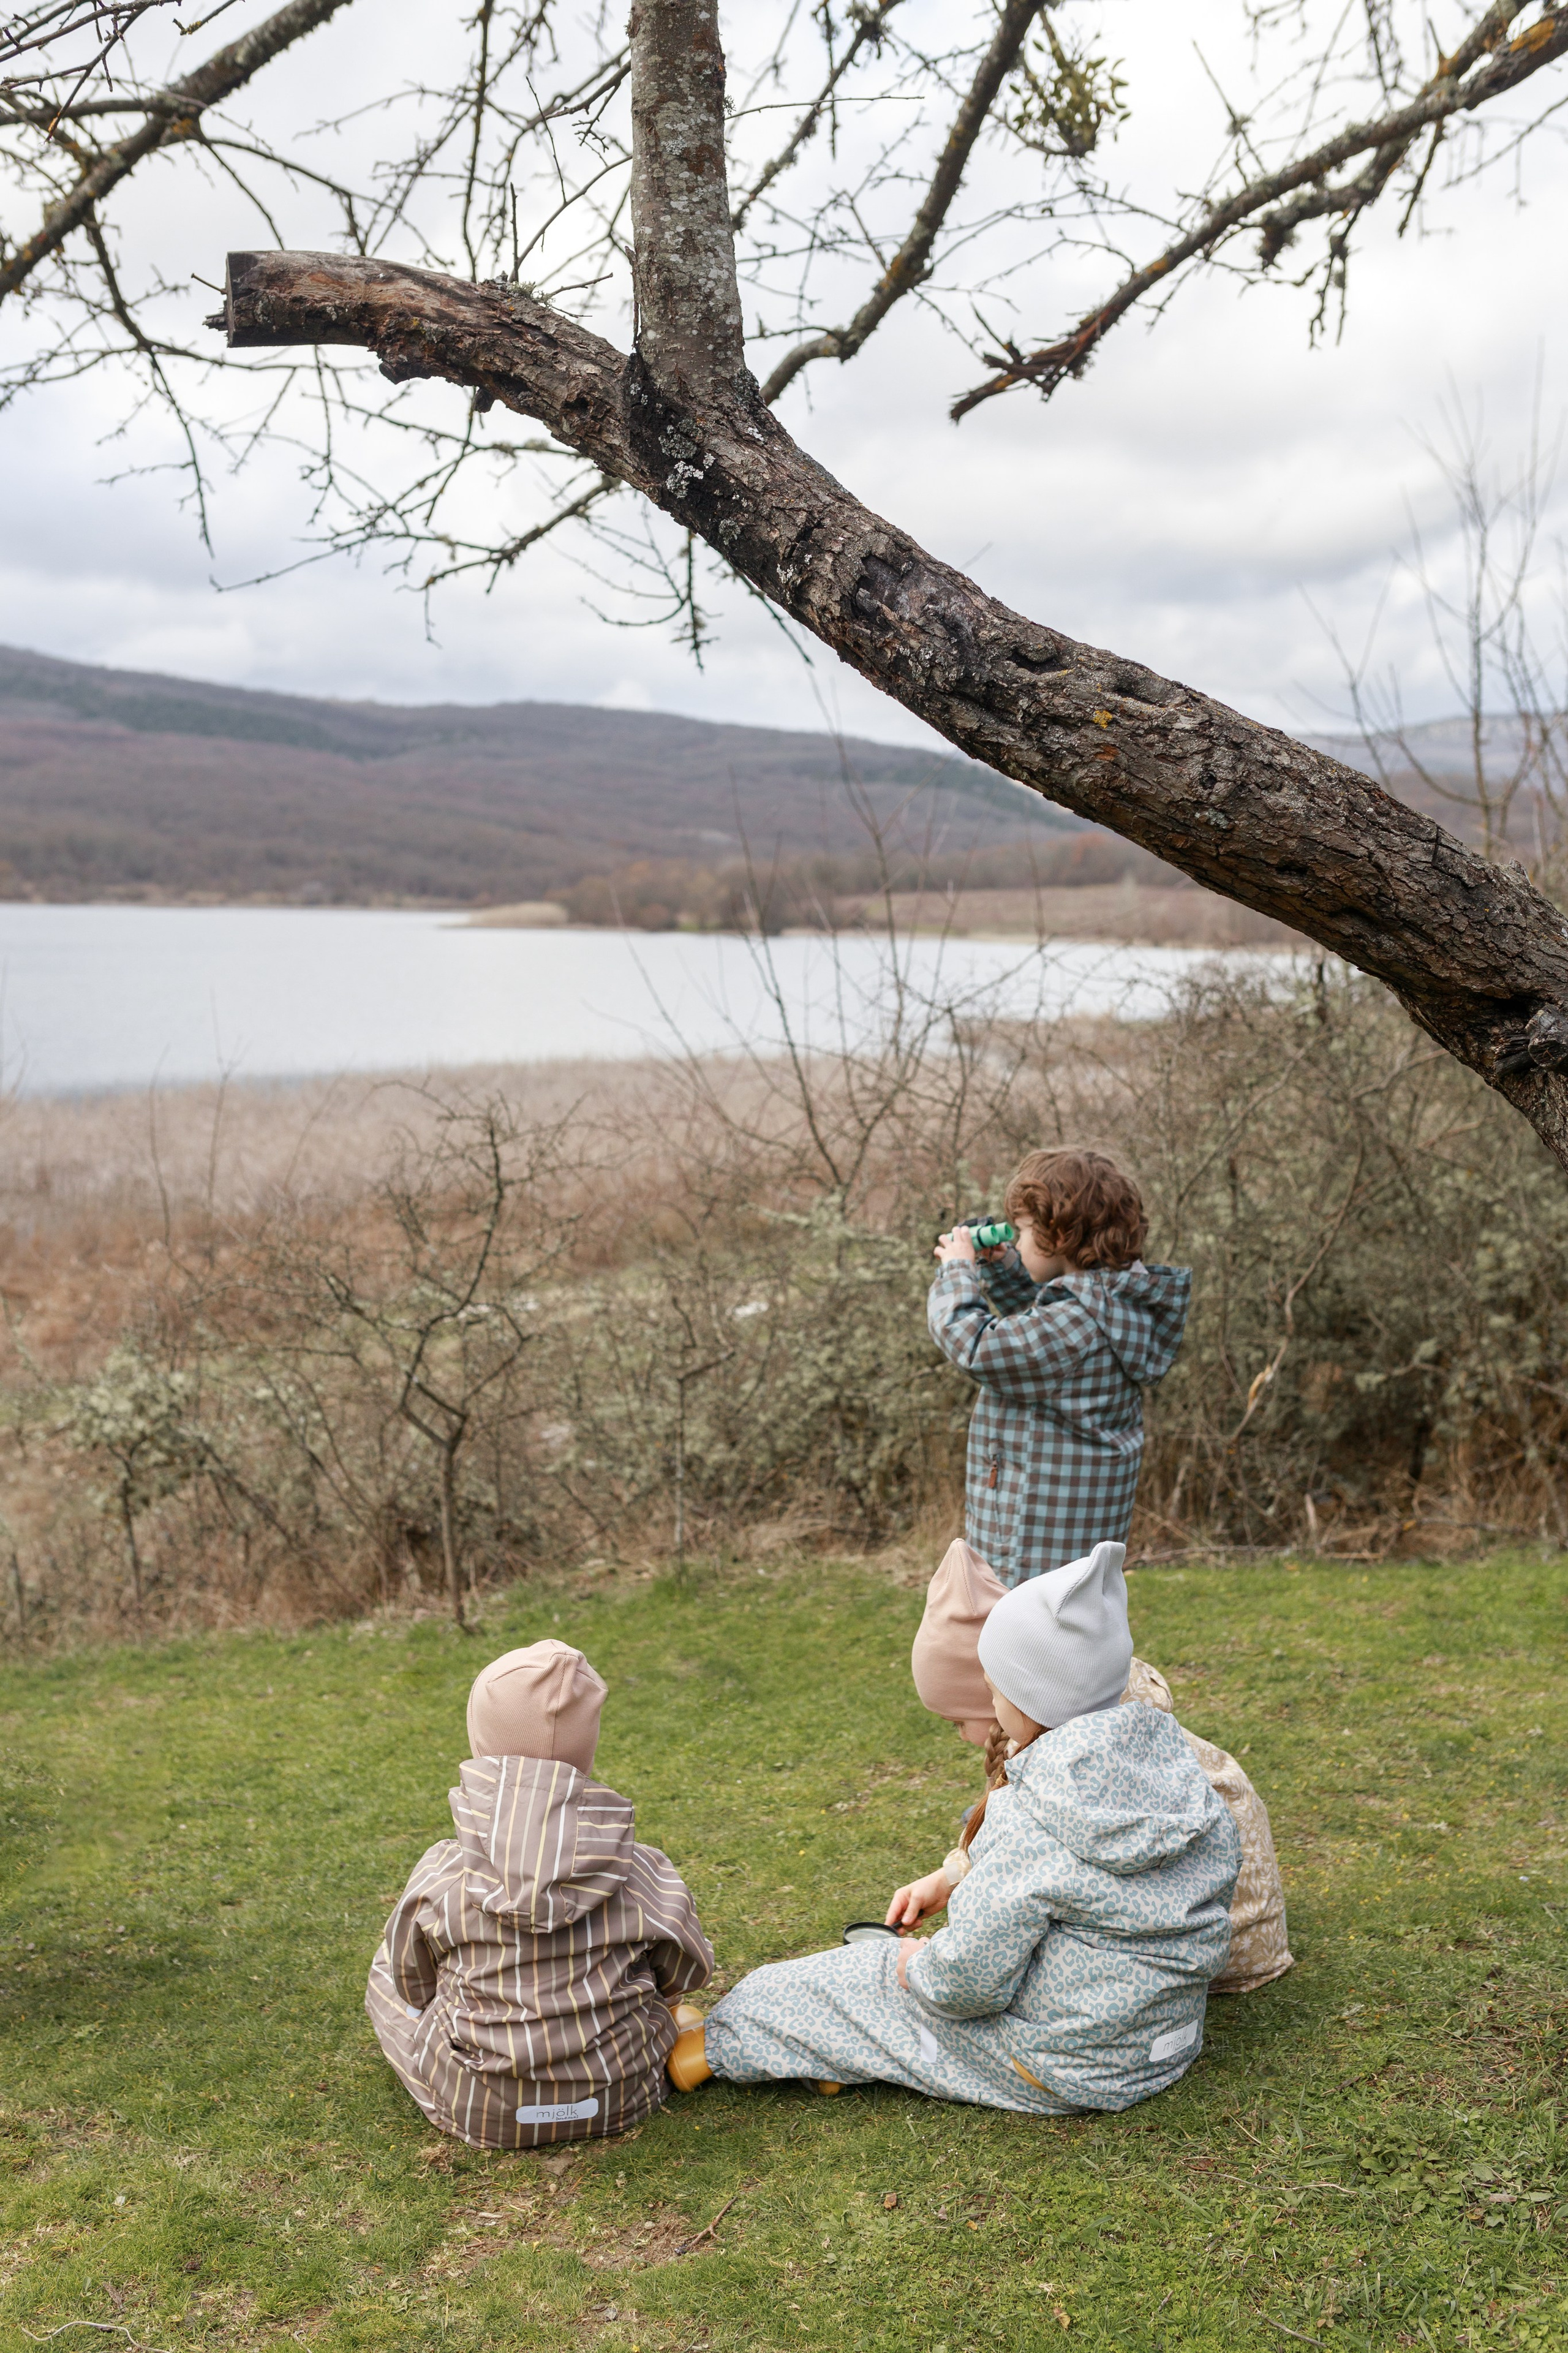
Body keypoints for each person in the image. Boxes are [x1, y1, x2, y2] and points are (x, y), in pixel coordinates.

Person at [667, 1543, 1240, 2115]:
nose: (990, 1700)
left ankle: (711, 2045)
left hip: (1065, 2065)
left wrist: (914, 1963)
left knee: (863, 1978)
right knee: (891, 2000)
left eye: (994, 1687)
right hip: (1164, 2047)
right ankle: (827, 2056)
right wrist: (955, 1877)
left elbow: (963, 1986)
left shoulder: (1033, 1818)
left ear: (1028, 1698)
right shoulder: (1183, 1785)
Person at [901, 1536, 1292, 1996]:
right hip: (1212, 1927)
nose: (960, 1735)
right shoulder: (1099, 1712)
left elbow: (1024, 1874)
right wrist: (948, 1878)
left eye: (957, 1720)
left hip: (1206, 1953)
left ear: (1006, 1691)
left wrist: (939, 1965)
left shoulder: (1075, 1760)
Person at [368, 1638, 713, 2148]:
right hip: (625, 2091)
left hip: (480, 2106)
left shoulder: (445, 1871)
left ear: (481, 1744)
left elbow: (412, 1982)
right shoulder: (639, 1868)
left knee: (384, 1976)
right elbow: (688, 1971)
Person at [929, 1149, 1190, 1587]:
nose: (1019, 1240)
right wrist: (1006, 1267)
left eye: (1027, 1231)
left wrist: (958, 1272)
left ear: (1061, 1236)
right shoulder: (1107, 1306)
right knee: (1070, 1642)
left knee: (1020, 1648)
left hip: (1032, 1538)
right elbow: (1040, 1338)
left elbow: (978, 1345)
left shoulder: (1075, 1323)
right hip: (1075, 1538)